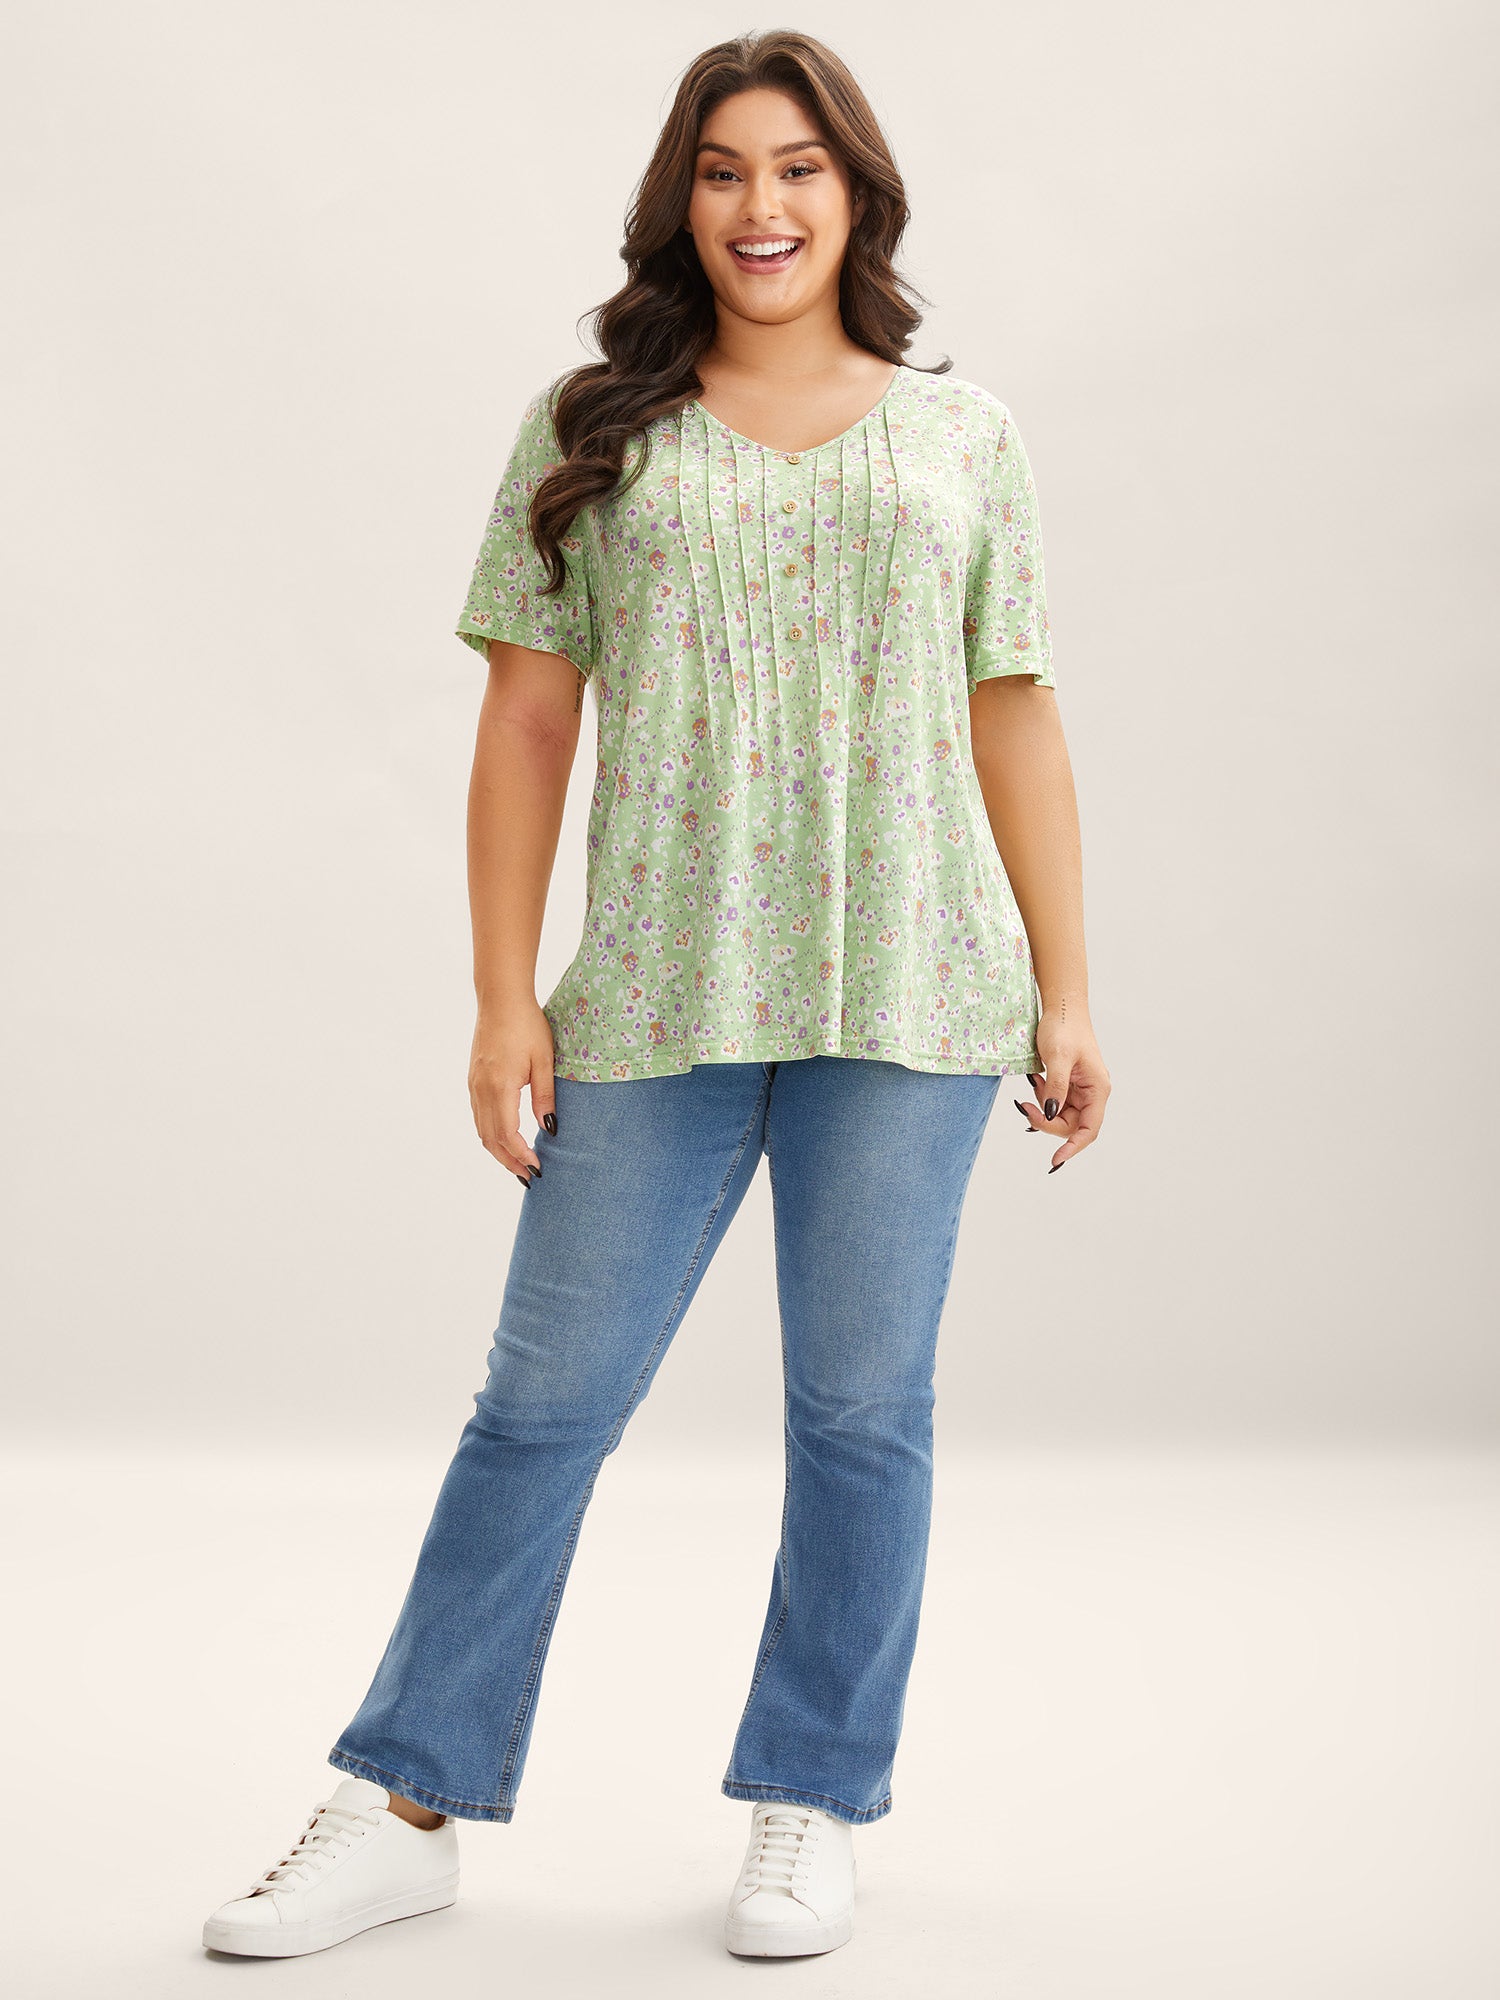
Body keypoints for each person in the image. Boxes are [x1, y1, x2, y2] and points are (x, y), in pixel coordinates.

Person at [200, 27, 1110, 1965]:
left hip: (914, 985)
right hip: (654, 987)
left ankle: (812, 1799)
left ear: (856, 193)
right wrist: (498, 998)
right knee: (542, 1406)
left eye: (797, 166)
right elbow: (528, 723)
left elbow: (1014, 705)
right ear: (679, 201)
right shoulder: (592, 427)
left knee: (862, 1413)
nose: (760, 204)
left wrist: (1070, 988)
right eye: (721, 169)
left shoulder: (968, 437)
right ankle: (405, 1803)